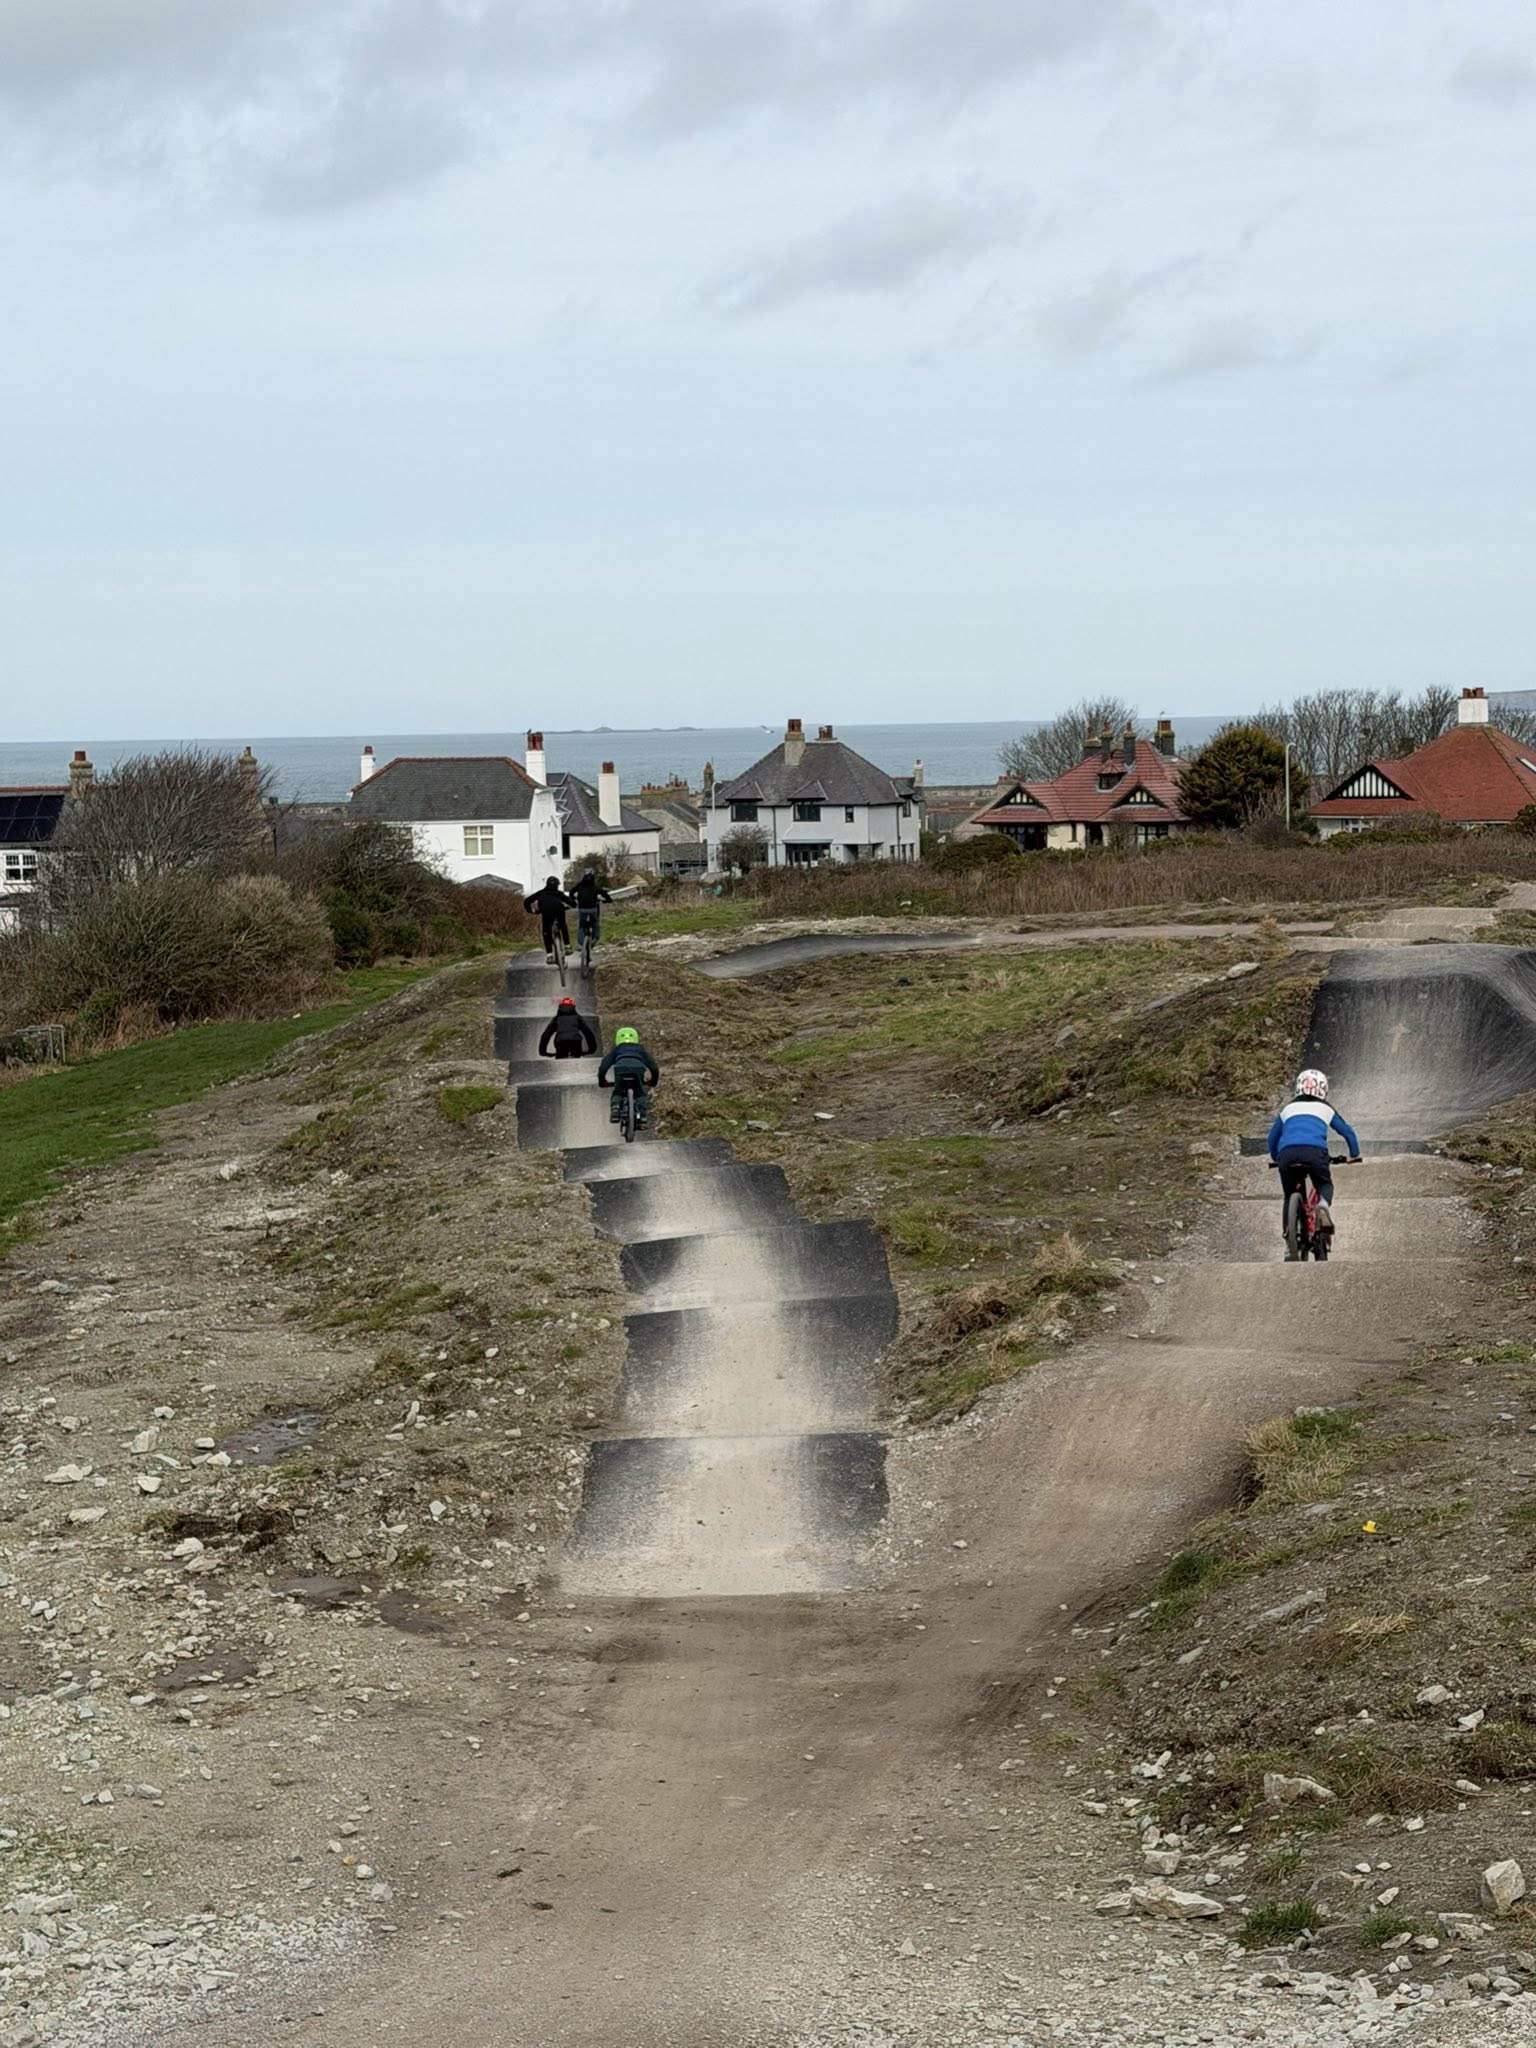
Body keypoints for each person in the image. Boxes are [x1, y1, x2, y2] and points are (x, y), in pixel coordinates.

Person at [1267, 1068, 1361, 1248]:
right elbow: (1348, 1133)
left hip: (1286, 1155)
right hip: (1315, 1153)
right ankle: (1323, 1205)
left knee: (1289, 1196)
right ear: (1323, 1089)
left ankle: (1289, 1239)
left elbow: (1272, 1138)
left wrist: (1276, 1157)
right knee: (1324, 1184)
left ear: (1299, 1087)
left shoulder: (1288, 1109)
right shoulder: (1325, 1108)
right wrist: (1354, 1155)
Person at [596, 1026, 659, 1127]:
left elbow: (604, 1066)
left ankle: (615, 1109)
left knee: (618, 1091)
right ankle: (642, 1118)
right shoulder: (640, 1049)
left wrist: (602, 1081)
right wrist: (653, 1081)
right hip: (638, 1069)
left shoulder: (617, 1049)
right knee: (640, 1093)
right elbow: (653, 1067)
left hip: (620, 1069)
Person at [522, 875, 572, 962]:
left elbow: (526, 901)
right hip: (559, 912)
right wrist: (568, 906)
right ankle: (567, 946)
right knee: (563, 926)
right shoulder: (559, 894)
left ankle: (549, 955)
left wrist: (531, 911)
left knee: (546, 932)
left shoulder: (541, 893)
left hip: (546, 913)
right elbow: (573, 903)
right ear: (557, 885)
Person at [570, 868, 614, 955]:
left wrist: (574, 898)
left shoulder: (579, 886)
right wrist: (608, 900)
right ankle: (595, 939)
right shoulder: (595, 887)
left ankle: (581, 944)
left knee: (581, 926)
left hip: (582, 909)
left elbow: (571, 892)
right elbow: (605, 895)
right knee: (595, 924)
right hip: (593, 909)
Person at [538, 995, 597, 1059]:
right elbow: (588, 1033)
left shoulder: (557, 1019)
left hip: (561, 1043)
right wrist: (591, 1050)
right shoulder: (577, 1018)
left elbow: (546, 1035)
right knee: (576, 1062)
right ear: (573, 1007)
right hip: (575, 1042)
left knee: (561, 1063)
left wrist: (543, 1052)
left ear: (560, 1008)